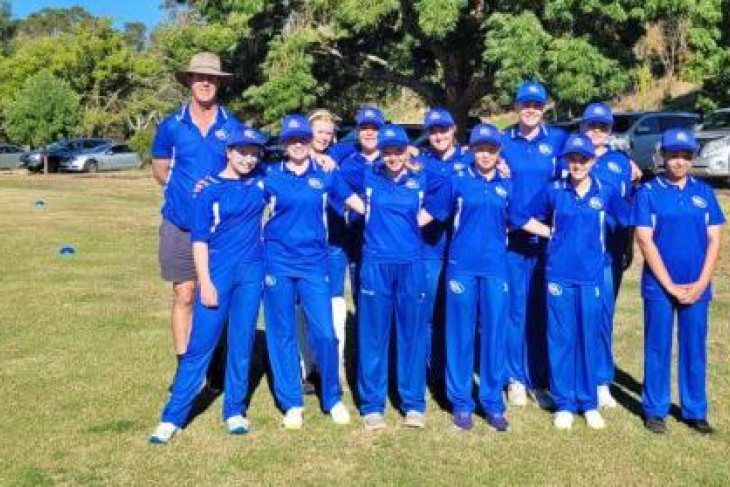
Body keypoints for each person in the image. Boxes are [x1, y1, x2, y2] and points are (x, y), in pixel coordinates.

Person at [148, 126, 268, 444]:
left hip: (251, 274)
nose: (248, 157)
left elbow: (294, 164)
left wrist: (318, 157)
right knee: (201, 345)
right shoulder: (209, 189)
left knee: (241, 344)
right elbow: (199, 240)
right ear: (228, 152)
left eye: (254, 152)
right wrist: (206, 281)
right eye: (242, 151)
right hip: (217, 274)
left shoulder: (260, 181)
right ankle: (172, 417)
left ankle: (234, 411)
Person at [335, 124, 451, 430]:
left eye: (399, 150)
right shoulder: (368, 174)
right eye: (387, 151)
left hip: (411, 265)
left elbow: (449, 187)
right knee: (373, 334)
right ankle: (372, 404)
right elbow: (336, 180)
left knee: (411, 333)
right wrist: (362, 207)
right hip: (375, 265)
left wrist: (421, 220)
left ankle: (412, 402)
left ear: (407, 151)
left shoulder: (422, 176)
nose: (393, 157)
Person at [515, 133, 633, 430]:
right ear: (566, 161)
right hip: (558, 275)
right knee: (561, 337)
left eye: (583, 158)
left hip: (592, 274)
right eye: (573, 158)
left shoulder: (606, 192)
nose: (578, 163)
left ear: (593, 161)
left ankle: (589, 402)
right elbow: (520, 215)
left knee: (588, 335)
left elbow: (630, 219)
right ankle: (565, 402)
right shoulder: (554, 191)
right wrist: (548, 233)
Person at [150, 52, 240, 387]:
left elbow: (242, 169)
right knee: (184, 294)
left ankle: (215, 364)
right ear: (189, 81)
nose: (205, 83)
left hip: (219, 229)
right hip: (179, 223)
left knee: (213, 295)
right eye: (199, 77)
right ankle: (185, 365)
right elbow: (160, 169)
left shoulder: (232, 126)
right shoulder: (171, 125)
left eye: (212, 78)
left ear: (219, 83)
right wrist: (182, 193)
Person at [262, 114, 350, 429]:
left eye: (303, 139)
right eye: (292, 140)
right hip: (278, 264)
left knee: (325, 334)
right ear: (285, 143)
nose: (298, 144)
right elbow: (238, 186)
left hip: (314, 264)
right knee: (282, 332)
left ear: (310, 141)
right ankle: (292, 402)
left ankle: (332, 397)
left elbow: (358, 202)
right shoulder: (269, 176)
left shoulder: (326, 174)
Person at [444, 124, 534, 432]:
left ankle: (493, 402)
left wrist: (555, 232)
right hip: (462, 267)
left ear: (499, 152)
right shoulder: (457, 180)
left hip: (496, 267)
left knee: (495, 333)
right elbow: (435, 214)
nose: (485, 154)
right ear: (471, 150)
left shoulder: (507, 184)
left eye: (491, 149)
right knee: (461, 334)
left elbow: (518, 220)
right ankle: (460, 402)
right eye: (480, 148)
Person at [634, 128, 725, 435]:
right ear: (663, 157)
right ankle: (655, 409)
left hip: (697, 285)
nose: (678, 162)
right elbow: (645, 240)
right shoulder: (649, 192)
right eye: (673, 155)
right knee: (658, 347)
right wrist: (670, 285)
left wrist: (701, 283)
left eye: (685, 156)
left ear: (691, 159)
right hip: (660, 286)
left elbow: (715, 240)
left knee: (694, 348)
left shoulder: (704, 192)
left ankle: (694, 410)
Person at [501, 81, 567, 408]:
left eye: (536, 105)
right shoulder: (501, 141)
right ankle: (514, 378)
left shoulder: (557, 140)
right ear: (517, 106)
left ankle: (539, 379)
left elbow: (580, 170)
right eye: (525, 104)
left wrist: (625, 162)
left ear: (544, 108)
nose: (530, 110)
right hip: (512, 238)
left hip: (546, 239)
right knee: (514, 309)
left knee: (541, 310)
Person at [575, 102, 641, 408]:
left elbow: (629, 207)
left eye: (602, 127)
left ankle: (601, 380)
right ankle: (574, 376)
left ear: (610, 130)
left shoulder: (621, 163)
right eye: (592, 126)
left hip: (608, 253)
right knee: (574, 316)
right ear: (582, 127)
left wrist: (628, 246)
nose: (597, 132)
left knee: (603, 316)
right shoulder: (571, 158)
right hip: (575, 253)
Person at [417, 108, 470, 388]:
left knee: (457, 312)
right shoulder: (419, 162)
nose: (439, 135)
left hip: (463, 250)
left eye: (443, 130)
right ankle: (429, 371)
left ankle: (454, 369)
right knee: (428, 310)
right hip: (429, 246)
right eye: (433, 131)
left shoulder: (472, 159)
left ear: (453, 131)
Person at [296, 109, 349, 392]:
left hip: (333, 245)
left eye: (329, 133)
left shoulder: (338, 158)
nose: (325, 137)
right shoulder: (294, 159)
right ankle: (307, 367)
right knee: (303, 305)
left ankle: (333, 366)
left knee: (334, 305)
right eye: (320, 132)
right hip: (303, 247)